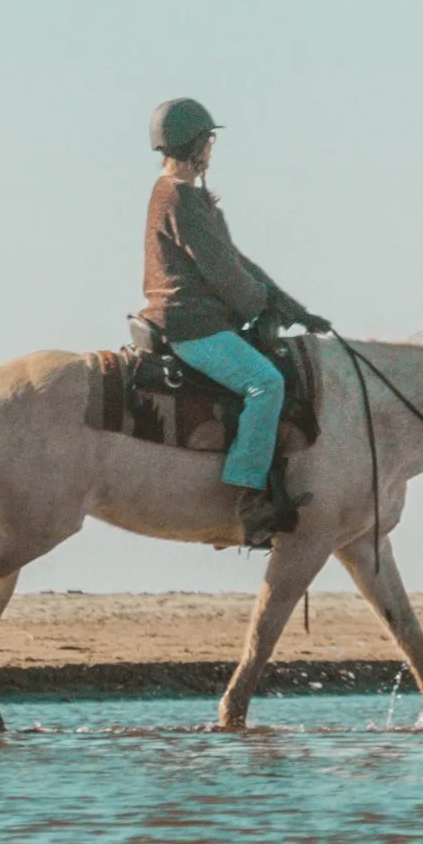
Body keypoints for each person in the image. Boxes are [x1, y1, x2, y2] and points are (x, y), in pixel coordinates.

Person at [140, 100, 329, 544]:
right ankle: (249, 497)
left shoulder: (183, 194)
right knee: (267, 384)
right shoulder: (179, 197)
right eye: (209, 140)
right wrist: (259, 306)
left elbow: (235, 262)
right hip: (191, 326)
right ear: (196, 145)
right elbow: (222, 272)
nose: (211, 148)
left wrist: (290, 307)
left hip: (197, 320)